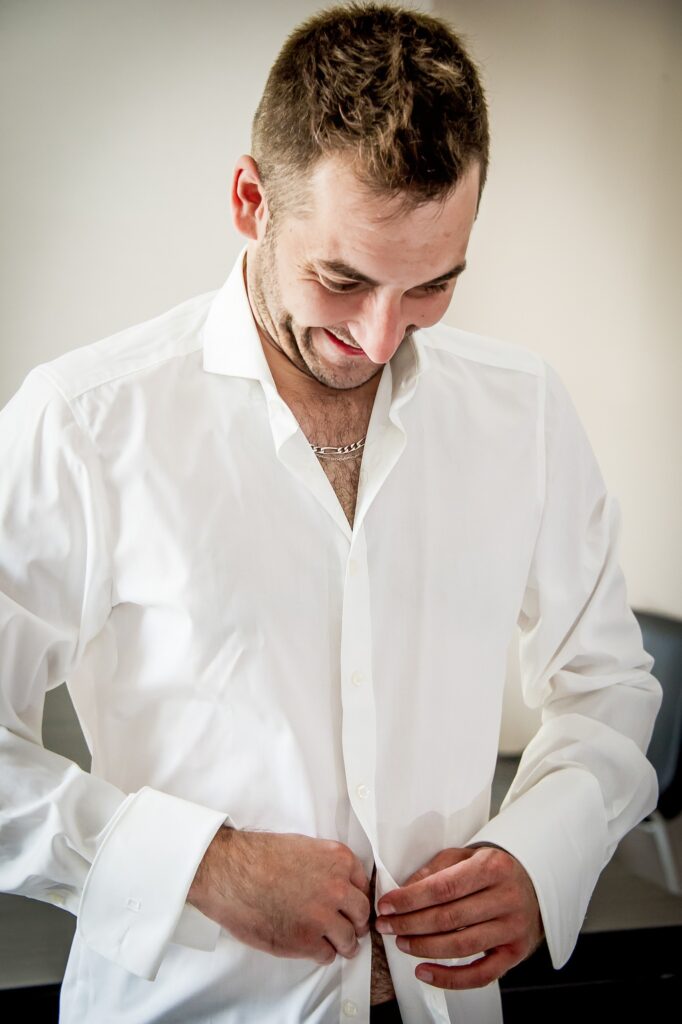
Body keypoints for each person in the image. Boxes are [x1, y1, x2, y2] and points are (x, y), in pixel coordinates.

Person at [0, 4, 661, 1023]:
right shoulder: (84, 422)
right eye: (341, 278)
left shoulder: (522, 410)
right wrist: (196, 866)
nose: (378, 335)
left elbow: (610, 683)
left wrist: (545, 852)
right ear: (249, 199)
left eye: (432, 285)